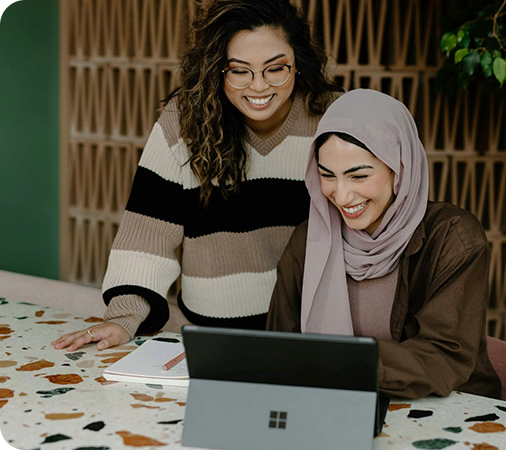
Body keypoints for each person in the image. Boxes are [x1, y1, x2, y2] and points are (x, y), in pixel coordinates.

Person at [52, 0, 339, 352]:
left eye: (275, 68)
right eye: (240, 70)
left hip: (311, 335)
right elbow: (148, 234)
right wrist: (124, 319)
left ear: (298, 65)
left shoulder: (332, 118)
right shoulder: (184, 122)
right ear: (217, 69)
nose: (259, 86)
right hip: (210, 339)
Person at [266, 89, 502, 399]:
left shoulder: (454, 238)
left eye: (359, 176)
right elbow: (278, 346)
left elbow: (444, 356)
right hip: (337, 405)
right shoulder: (309, 241)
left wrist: (340, 362)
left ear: (399, 167)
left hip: (447, 412)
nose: (342, 195)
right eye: (328, 175)